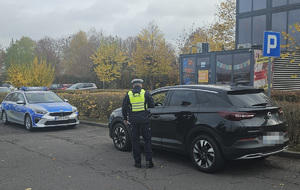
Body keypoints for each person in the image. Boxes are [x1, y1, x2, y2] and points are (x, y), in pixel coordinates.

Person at [122, 79, 155, 168]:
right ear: (141, 85)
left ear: (133, 86)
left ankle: (138, 162)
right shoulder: (145, 93)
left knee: (135, 141)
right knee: (147, 140)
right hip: (145, 121)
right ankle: (149, 162)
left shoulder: (129, 94)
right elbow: (152, 105)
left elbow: (124, 108)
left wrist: (125, 119)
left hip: (134, 121)